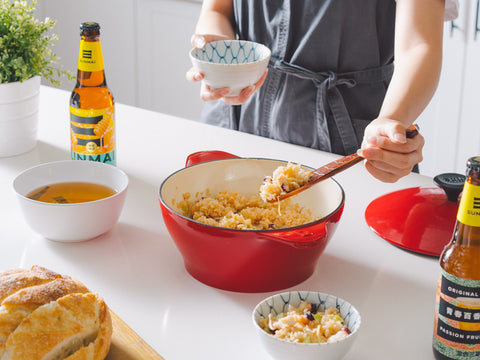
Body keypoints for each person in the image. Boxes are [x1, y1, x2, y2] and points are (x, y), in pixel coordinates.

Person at [186, 0, 459, 183]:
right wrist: (218, 61)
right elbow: (217, 10)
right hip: (236, 119)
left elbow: (418, 45)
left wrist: (392, 118)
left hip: (347, 139)